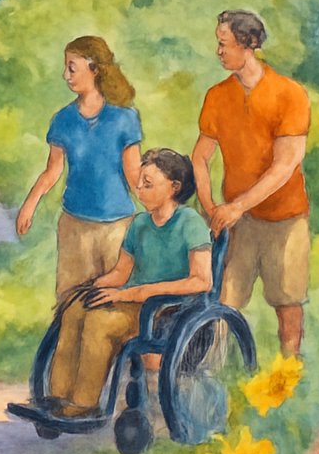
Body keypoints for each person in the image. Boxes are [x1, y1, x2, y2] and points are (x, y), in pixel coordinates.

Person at [45, 148, 213, 417]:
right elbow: (120, 274)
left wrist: (139, 292)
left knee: (100, 323)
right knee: (74, 310)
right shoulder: (140, 224)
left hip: (167, 309)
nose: (139, 189)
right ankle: (56, 397)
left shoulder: (190, 222)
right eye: (140, 183)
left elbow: (201, 281)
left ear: (174, 187)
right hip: (134, 300)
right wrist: (93, 287)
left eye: (148, 184)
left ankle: (83, 404)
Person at [191, 10, 311, 358]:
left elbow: (286, 163)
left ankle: (289, 375)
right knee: (224, 302)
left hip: (286, 219)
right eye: (218, 43)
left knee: (288, 303)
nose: (218, 51)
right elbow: (200, 157)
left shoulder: (290, 94)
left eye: (224, 44)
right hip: (237, 224)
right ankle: (215, 375)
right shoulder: (217, 96)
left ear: (250, 45)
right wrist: (210, 206)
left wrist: (236, 206)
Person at [16, 36, 143, 301]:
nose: (65, 75)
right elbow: (52, 171)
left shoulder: (124, 118)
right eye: (66, 68)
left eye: (72, 68)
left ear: (94, 69)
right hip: (75, 227)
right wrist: (30, 204)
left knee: (113, 303)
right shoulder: (63, 120)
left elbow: (134, 176)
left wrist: (161, 211)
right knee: (70, 302)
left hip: (117, 227)